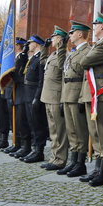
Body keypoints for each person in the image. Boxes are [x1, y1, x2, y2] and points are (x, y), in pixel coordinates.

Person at [78, 14, 103, 187]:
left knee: (102, 134)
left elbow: (84, 61)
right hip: (91, 93)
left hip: (101, 93)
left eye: (95, 25)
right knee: (94, 133)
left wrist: (86, 61)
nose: (93, 28)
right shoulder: (98, 45)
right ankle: (97, 168)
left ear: (102, 26)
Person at [57, 22, 91, 177]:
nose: (69, 35)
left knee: (80, 131)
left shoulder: (87, 51)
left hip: (77, 94)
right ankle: (73, 160)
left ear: (79, 34)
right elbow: (62, 69)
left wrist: (82, 99)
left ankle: (80, 163)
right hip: (67, 94)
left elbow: (86, 77)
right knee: (71, 131)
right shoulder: (72, 52)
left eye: (72, 33)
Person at [39, 26, 68, 170]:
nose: (51, 39)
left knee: (59, 131)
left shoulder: (63, 54)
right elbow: (43, 61)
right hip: (48, 96)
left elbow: (62, 65)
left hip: (56, 97)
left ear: (61, 40)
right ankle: (54, 157)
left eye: (54, 37)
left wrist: (63, 47)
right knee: (53, 131)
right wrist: (44, 48)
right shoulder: (53, 54)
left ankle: (60, 159)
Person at [22, 35, 48, 163]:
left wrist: (37, 97)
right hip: (28, 94)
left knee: (38, 124)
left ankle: (39, 151)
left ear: (36, 44)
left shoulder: (40, 59)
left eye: (30, 43)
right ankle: (33, 149)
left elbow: (41, 80)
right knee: (31, 123)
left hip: (34, 94)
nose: (28, 45)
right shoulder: (32, 59)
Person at [4, 38, 30, 155]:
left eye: (14, 45)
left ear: (18, 46)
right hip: (14, 92)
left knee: (21, 121)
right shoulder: (16, 58)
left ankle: (24, 146)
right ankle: (16, 143)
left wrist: (12, 75)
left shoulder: (22, 58)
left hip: (21, 92)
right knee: (14, 120)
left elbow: (21, 76)